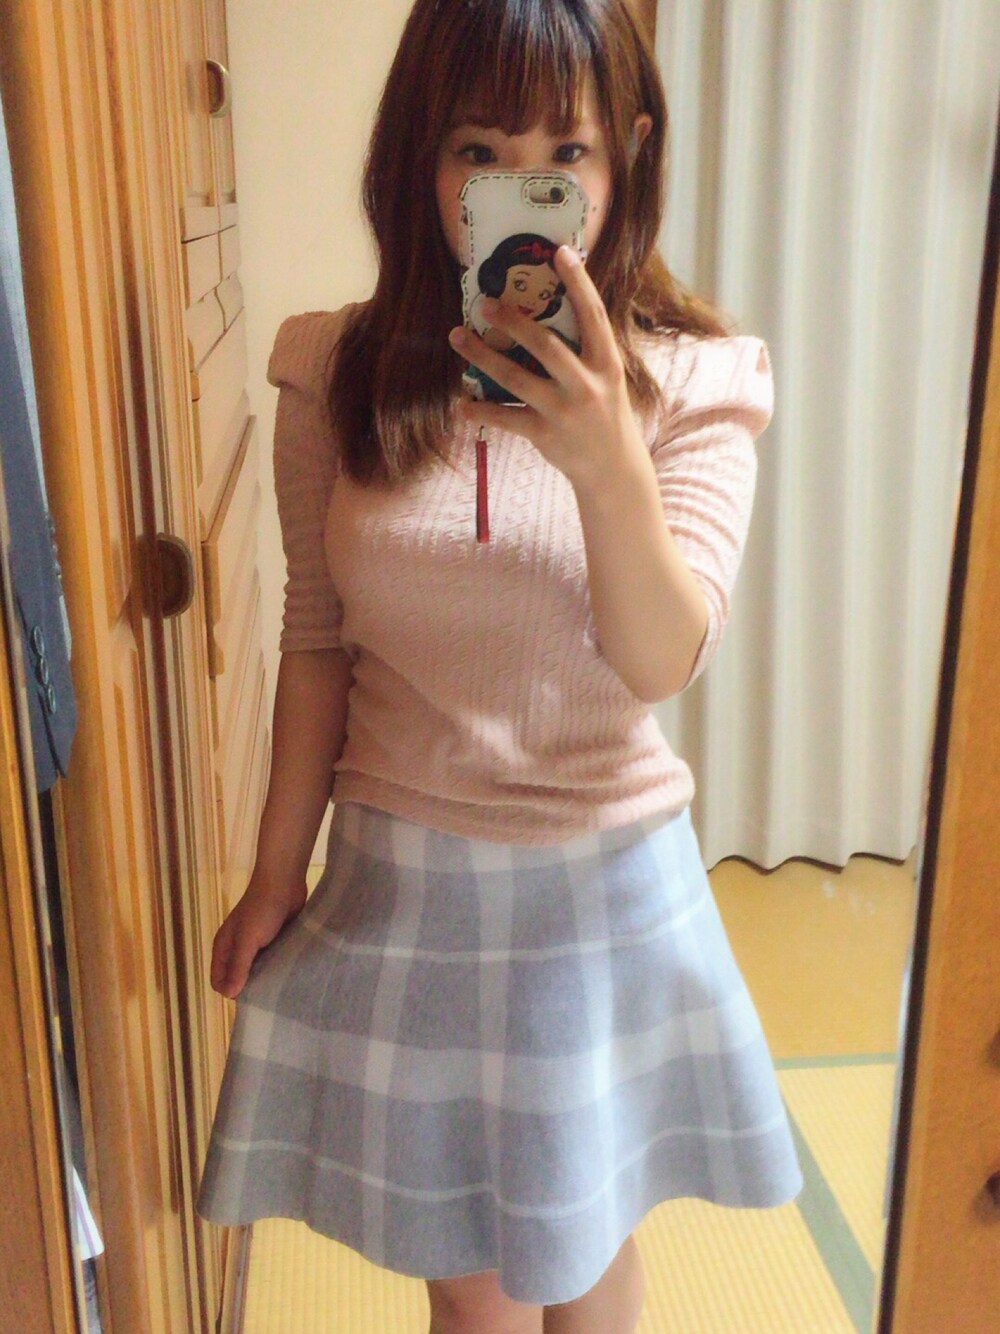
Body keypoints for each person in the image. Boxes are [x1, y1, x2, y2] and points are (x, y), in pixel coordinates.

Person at [197, 2, 803, 1330]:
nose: (519, 187)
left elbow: (661, 659)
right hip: (401, 883)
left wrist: (608, 465)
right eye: (478, 148)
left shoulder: (697, 384)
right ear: (421, 158)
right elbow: (316, 646)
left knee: (582, 1251)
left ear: (627, 153)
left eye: (563, 154)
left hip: (601, 892)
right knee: (472, 1290)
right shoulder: (334, 372)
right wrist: (275, 874)